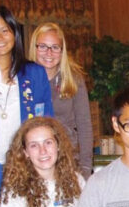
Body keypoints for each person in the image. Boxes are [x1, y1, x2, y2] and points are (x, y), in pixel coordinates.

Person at [0, 5, 53, 164]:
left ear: (14, 32)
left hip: (28, 165)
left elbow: (47, 122)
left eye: (4, 31)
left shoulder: (35, 74)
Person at [27, 23, 95, 176]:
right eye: (43, 46)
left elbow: (84, 125)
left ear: (62, 50)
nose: (49, 53)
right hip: (34, 161)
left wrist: (85, 167)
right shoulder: (24, 79)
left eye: (55, 47)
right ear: (34, 48)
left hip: (69, 158)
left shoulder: (74, 78)